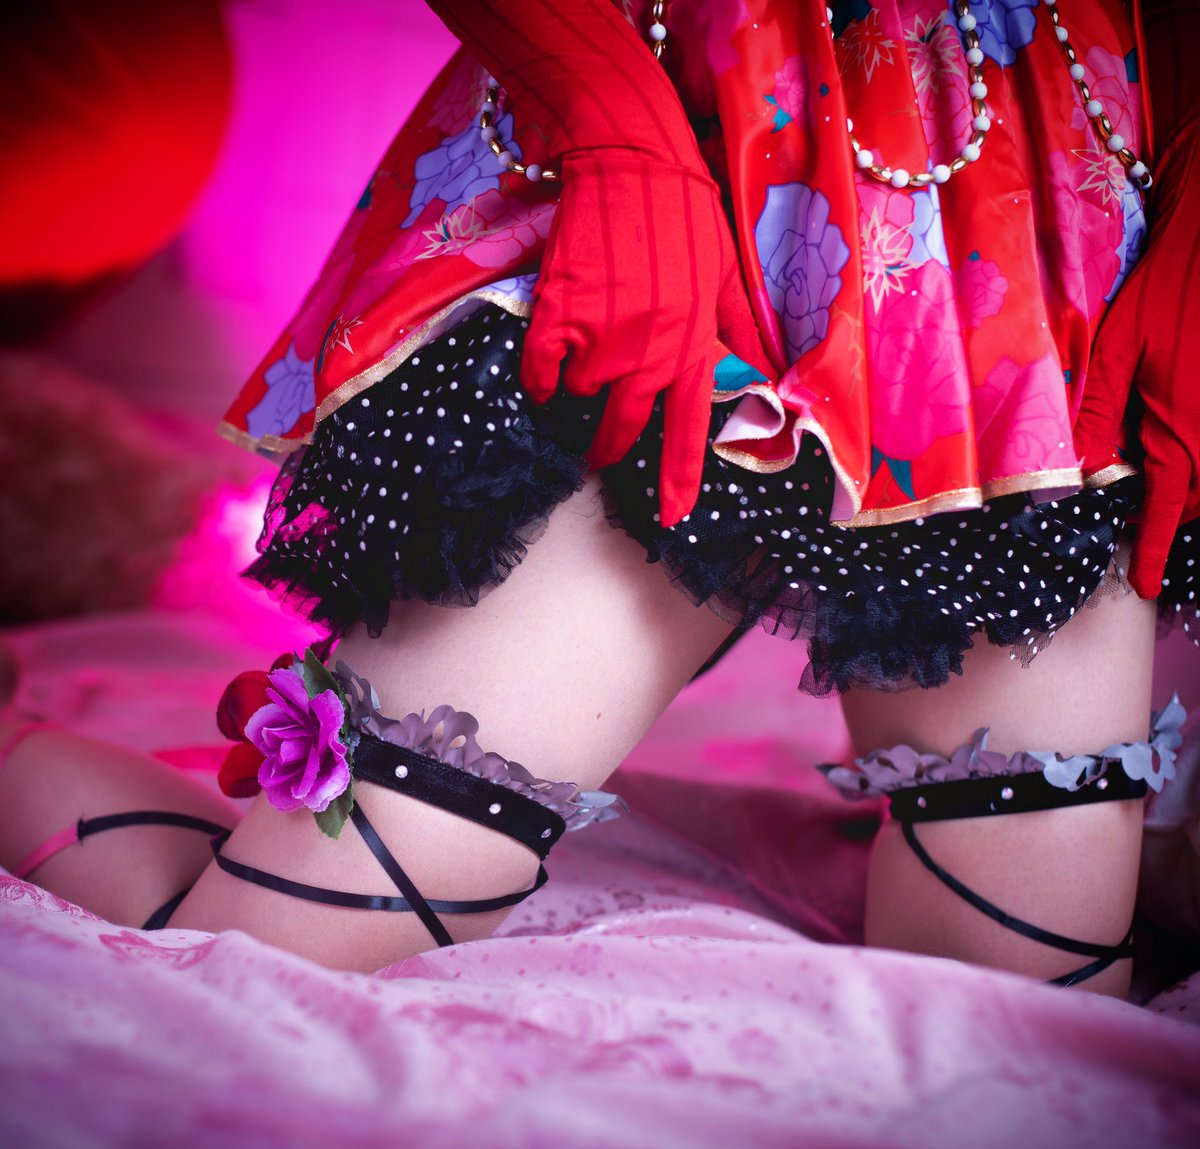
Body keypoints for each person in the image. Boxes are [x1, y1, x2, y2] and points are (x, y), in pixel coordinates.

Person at [2, 0, 1196, 995]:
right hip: (659, 170)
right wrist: (611, 123)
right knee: (283, 949)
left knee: (1034, 992)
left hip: (1024, 273)